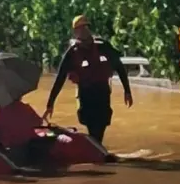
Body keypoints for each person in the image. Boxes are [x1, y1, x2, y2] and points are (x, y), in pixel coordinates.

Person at [43, 15, 133, 145]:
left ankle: (98, 153)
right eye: (80, 28)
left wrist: (127, 91)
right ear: (75, 32)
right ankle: (98, 153)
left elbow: (119, 67)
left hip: (102, 93)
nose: (84, 30)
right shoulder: (72, 53)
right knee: (92, 128)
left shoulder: (103, 46)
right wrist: (50, 104)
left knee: (101, 126)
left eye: (86, 27)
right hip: (86, 95)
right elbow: (60, 78)